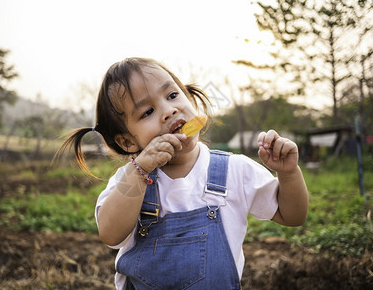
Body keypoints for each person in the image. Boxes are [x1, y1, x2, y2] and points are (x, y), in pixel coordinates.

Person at [57, 57, 308, 289]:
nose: (169, 110)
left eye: (173, 95)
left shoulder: (236, 170)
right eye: (147, 112)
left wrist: (288, 174)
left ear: (191, 100)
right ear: (127, 142)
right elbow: (110, 233)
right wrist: (140, 170)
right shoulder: (130, 180)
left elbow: (292, 215)